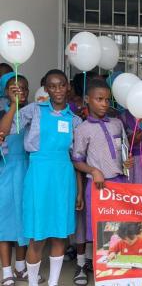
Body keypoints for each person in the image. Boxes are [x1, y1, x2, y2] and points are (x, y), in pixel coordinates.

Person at [0, 69, 84, 286]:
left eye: (62, 85)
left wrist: (80, 190)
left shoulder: (74, 120)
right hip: (38, 175)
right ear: (45, 89)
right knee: (37, 237)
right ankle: (34, 283)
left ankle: (54, 283)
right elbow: (4, 130)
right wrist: (14, 103)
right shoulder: (34, 110)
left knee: (60, 235)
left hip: (63, 178)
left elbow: (77, 159)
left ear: (68, 87)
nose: (57, 90)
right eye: (52, 86)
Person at [71, 79, 134, 284]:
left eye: (107, 100)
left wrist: (128, 161)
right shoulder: (82, 129)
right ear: (87, 100)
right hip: (98, 187)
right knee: (100, 232)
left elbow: (123, 149)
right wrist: (93, 170)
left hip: (120, 184)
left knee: (122, 229)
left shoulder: (117, 124)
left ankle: (120, 273)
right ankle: (102, 273)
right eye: (99, 99)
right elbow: (77, 160)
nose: (104, 104)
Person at [0, 74, 43, 286]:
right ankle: (6, 269)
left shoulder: (33, 112)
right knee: (6, 221)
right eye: (15, 89)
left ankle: (20, 266)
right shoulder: (3, 111)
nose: (21, 92)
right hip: (6, 169)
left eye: (24, 88)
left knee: (25, 219)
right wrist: (13, 106)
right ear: (6, 91)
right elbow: (3, 131)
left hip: (27, 168)